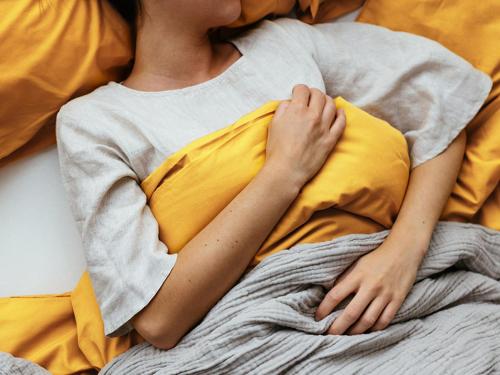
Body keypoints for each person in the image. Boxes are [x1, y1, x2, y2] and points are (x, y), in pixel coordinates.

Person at [55, 0, 491, 350]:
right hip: (247, 337)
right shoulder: (96, 123)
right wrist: (284, 172)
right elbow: (159, 319)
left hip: (396, 304)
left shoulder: (285, 46)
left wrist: (402, 254)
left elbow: (444, 105)